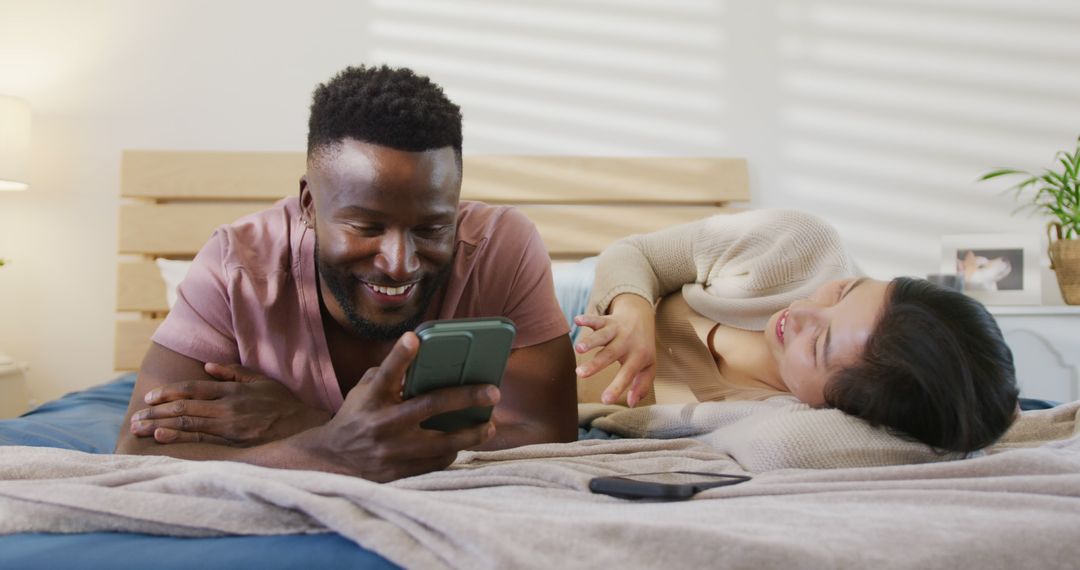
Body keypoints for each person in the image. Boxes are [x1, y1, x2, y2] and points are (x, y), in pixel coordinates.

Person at [115, 65, 578, 480]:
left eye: (431, 227)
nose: (399, 262)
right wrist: (322, 453)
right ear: (310, 204)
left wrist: (312, 428)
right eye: (367, 226)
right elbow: (135, 452)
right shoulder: (235, 267)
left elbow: (549, 433)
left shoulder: (502, 248)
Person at [574, 209, 1018, 453]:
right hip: (585, 299)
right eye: (844, 291)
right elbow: (636, 253)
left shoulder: (785, 420)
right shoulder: (800, 245)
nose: (803, 312)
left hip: (563, 397)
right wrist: (631, 311)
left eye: (820, 345)